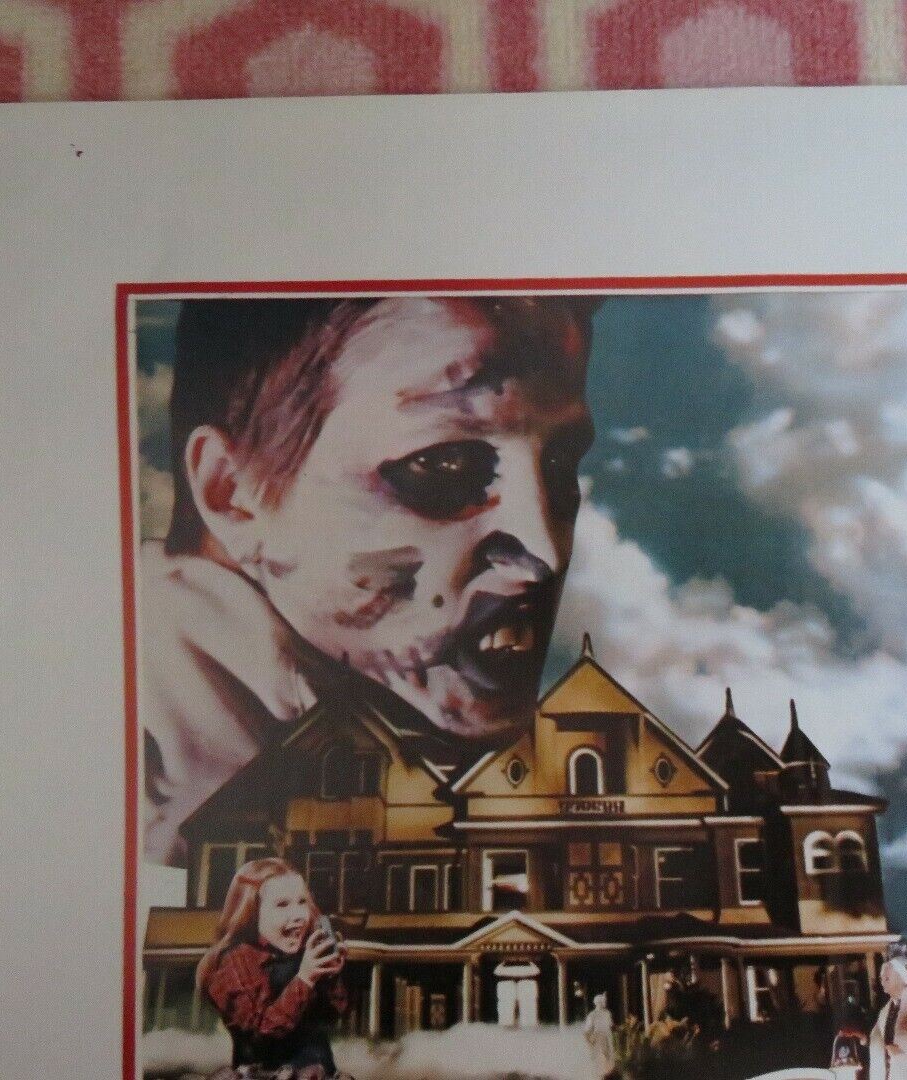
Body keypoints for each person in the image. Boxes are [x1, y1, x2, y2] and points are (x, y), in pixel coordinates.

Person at [142, 297, 597, 864]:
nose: (545, 550)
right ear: (231, 493)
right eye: (442, 467)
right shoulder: (171, 791)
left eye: (561, 468)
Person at [196, 857, 348, 1076]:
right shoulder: (233, 962)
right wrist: (305, 979)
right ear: (251, 911)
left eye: (302, 902)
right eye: (282, 905)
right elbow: (261, 1033)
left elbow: (330, 1018)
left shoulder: (302, 954)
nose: (298, 915)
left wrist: (329, 975)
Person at [584, 992, 616, 1078]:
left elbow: (611, 1025)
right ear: (598, 1002)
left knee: (609, 1058)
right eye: (603, 1001)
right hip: (598, 1038)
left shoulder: (607, 1013)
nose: (605, 1003)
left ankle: (607, 1075)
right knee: (599, 1059)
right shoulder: (592, 1015)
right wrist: (589, 1042)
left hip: (607, 1037)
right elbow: (587, 1031)